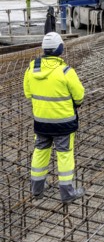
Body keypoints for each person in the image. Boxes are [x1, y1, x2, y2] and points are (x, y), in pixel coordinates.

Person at [23, 32, 85, 204]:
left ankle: (37, 190)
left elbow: (28, 93)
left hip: (41, 122)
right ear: (60, 49)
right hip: (63, 124)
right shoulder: (66, 71)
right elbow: (79, 95)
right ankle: (67, 193)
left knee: (40, 152)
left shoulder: (32, 68)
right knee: (64, 155)